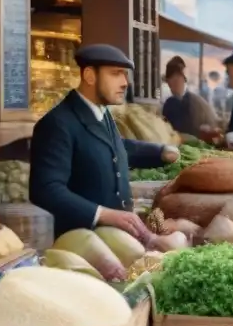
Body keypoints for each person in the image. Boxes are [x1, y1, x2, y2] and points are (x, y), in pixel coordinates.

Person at [30, 44, 179, 239]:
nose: (125, 82)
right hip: (82, 245)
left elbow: (112, 148)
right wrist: (102, 214)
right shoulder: (57, 124)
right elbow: (46, 190)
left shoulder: (102, 112)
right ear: (90, 76)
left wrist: (158, 153)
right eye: (116, 74)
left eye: (125, 75)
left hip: (116, 239)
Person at [162, 56, 217, 138]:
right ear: (168, 81)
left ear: (184, 79)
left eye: (179, 76)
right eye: (173, 77)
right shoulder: (174, 102)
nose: (176, 80)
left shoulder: (190, 100)